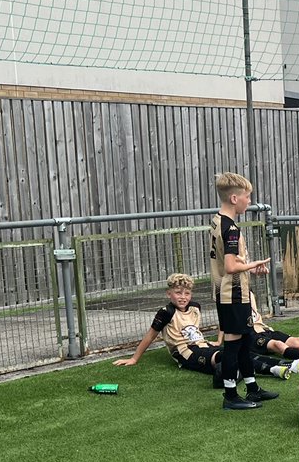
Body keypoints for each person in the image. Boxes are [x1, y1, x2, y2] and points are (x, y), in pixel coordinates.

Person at [209, 172, 277, 410]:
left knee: (246, 338)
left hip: (229, 291)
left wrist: (249, 270)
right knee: (233, 343)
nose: (250, 201)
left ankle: (252, 387)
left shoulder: (218, 220)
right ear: (235, 198)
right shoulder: (230, 228)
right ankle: (230, 395)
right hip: (232, 294)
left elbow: (229, 263)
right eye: (248, 197)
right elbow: (230, 266)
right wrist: (253, 265)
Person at [113, 273, 220, 374]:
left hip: (203, 344)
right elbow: (150, 336)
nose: (183, 297)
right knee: (220, 358)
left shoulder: (195, 307)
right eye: (178, 293)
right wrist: (134, 358)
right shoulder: (166, 312)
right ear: (169, 293)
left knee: (233, 352)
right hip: (184, 351)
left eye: (187, 293)